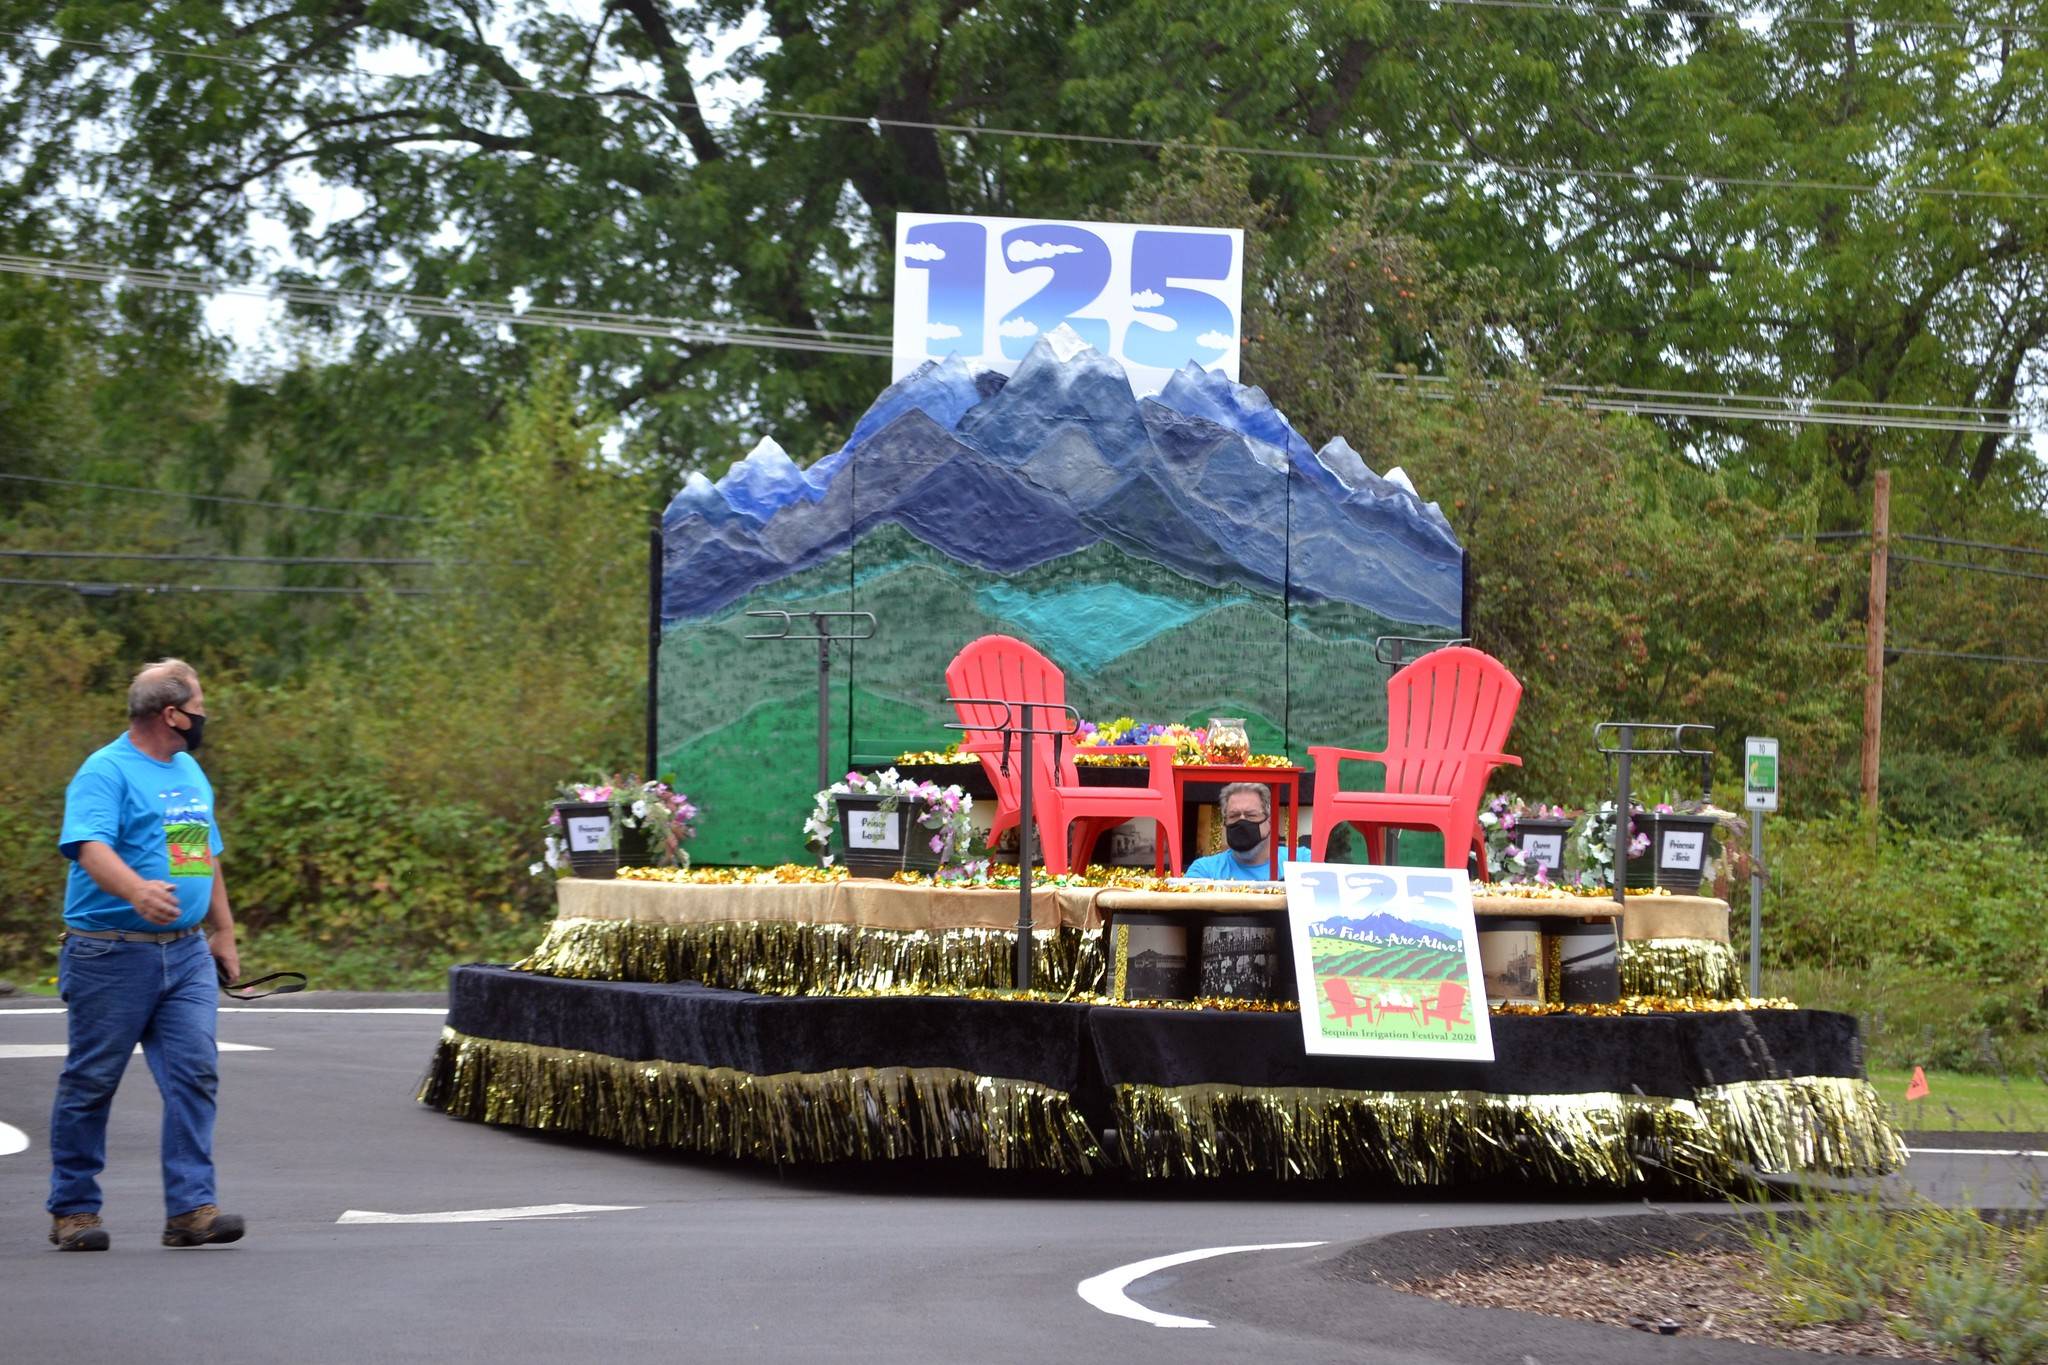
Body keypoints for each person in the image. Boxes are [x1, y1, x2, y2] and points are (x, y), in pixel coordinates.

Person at [47, 658, 244, 1252]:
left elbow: (196, 856)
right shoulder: (105, 771)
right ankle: (74, 1211)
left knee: (194, 1074)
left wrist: (223, 930)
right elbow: (88, 847)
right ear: (172, 714)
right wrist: (134, 889)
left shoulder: (185, 771)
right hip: (110, 955)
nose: (205, 717)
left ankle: (190, 1210)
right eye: (200, 707)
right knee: (92, 1081)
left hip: (184, 956)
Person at [1182, 782, 1308, 882]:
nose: (1242, 821)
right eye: (1234, 815)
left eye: (1251, 815)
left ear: (1269, 821)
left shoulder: (1302, 861)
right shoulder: (1205, 871)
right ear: (1225, 822)